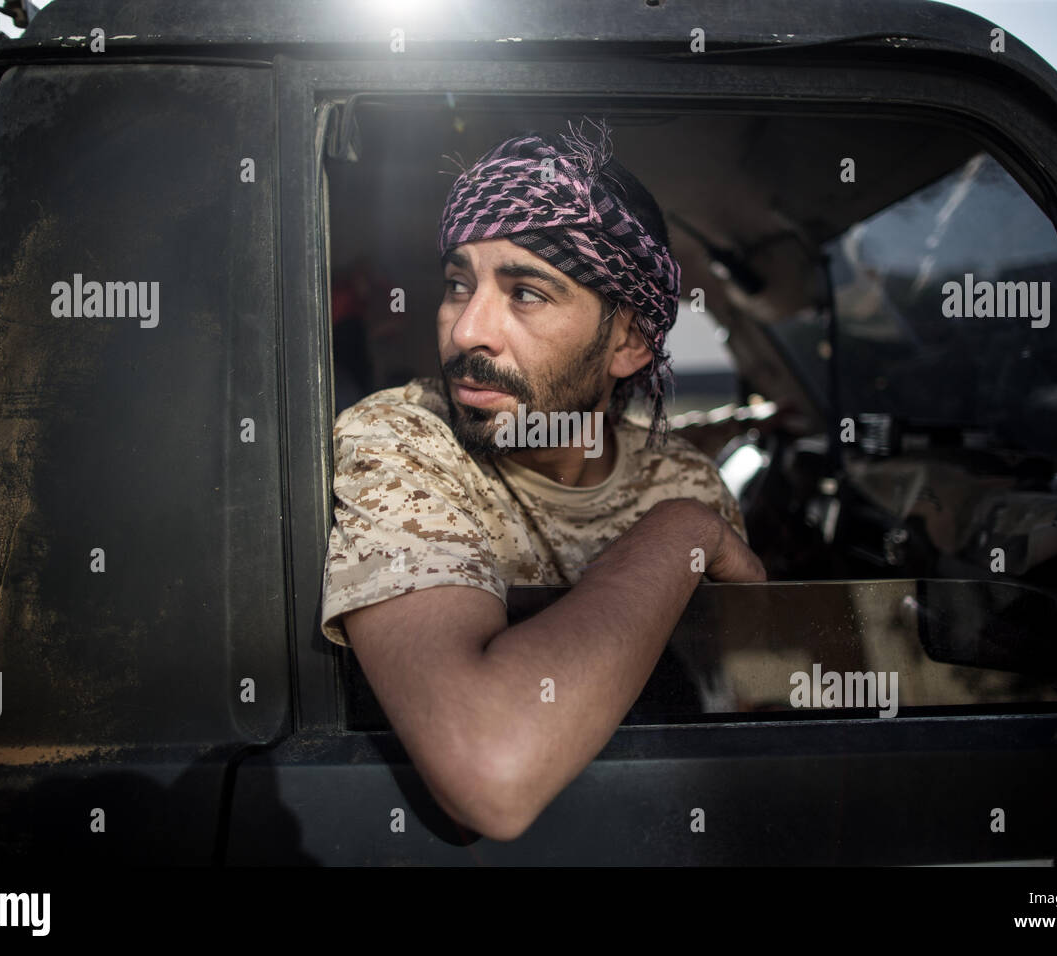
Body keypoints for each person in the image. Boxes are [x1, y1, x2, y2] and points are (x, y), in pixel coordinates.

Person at [320, 118, 767, 841]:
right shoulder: (402, 439)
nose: (466, 330)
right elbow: (490, 769)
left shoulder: (683, 478)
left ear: (628, 341)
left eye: (526, 293)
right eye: (458, 284)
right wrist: (680, 536)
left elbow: (740, 711)